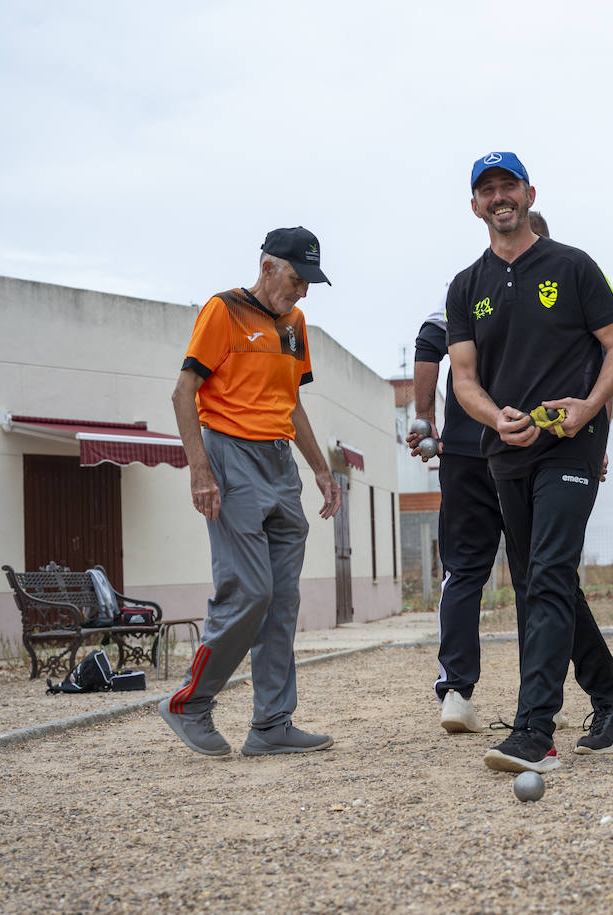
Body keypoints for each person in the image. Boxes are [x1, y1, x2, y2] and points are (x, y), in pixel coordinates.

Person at [446, 152, 613, 773]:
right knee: (542, 580)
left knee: (549, 574)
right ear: (475, 205)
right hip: (506, 451)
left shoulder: (573, 266)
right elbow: (465, 380)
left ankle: (535, 731)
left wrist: (587, 408)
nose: (499, 198)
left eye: (508, 186)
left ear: (529, 193)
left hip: (571, 442)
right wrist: (491, 416)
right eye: (487, 190)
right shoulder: (465, 286)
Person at [163, 226, 342, 757]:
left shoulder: (295, 324)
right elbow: (183, 392)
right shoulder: (224, 310)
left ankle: (271, 724)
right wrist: (200, 470)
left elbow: (292, 404)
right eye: (296, 278)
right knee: (249, 590)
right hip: (230, 456)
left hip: (280, 463)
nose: (303, 291)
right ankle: (190, 703)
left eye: (310, 281)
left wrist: (322, 470)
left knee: (282, 598)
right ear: (267, 268)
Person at [409, 213, 560, 735]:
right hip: (523, 452)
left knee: (466, 569)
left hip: (467, 451)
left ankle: (455, 692)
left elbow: (429, 340)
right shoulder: (548, 290)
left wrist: (424, 416)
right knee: (532, 575)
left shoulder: (467, 290)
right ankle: (535, 698)